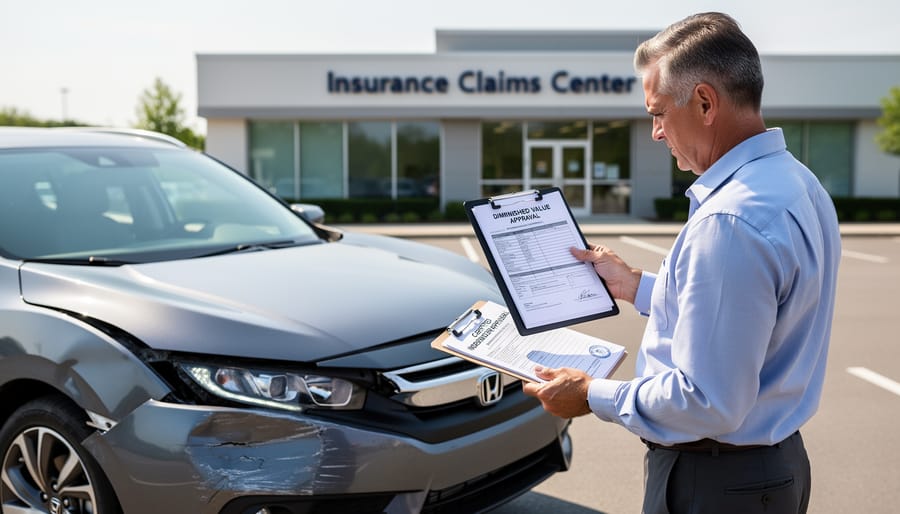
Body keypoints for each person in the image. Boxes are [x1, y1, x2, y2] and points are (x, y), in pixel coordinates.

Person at [522, 12, 841, 514]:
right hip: (771, 470)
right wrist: (634, 286)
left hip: (716, 482)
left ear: (705, 102)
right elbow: (752, 312)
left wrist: (590, 395)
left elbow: (705, 400)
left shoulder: (731, 219)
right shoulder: (798, 183)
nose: (654, 132)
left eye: (658, 113)